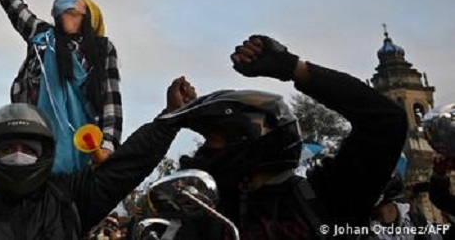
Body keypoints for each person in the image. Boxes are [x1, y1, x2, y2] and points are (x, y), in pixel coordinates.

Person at [160, 35, 407, 239]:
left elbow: (386, 121)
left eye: (213, 140)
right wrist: (176, 118)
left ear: (248, 143)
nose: (202, 153)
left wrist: (293, 68)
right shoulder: (207, 215)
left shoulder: (328, 196)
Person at [0, 76, 197, 239]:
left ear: (45, 154)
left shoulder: (70, 196)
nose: (18, 156)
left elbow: (125, 166)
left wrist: (169, 118)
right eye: (8, 149)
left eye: (29, 149)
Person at [0, 0, 122, 173]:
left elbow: (111, 103)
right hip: (36, 145)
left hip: (84, 149)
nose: (65, 11)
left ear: (88, 19)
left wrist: (106, 147)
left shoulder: (102, 49)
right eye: (63, 10)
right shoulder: (42, 36)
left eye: (74, 8)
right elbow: (12, 3)